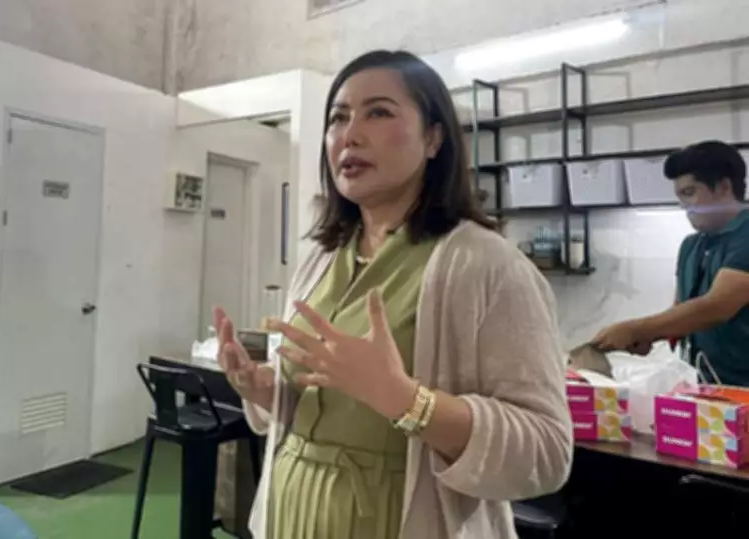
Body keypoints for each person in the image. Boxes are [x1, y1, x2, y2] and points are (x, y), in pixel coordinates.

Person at [214, 50, 572, 539]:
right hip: (289, 514)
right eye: (338, 118)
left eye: (378, 112)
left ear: (434, 138)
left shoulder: (488, 265)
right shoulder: (320, 260)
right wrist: (263, 389)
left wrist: (407, 400)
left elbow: (547, 453)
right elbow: (322, 406)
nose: (350, 135)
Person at [593, 140, 749, 386]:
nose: (684, 205)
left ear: (724, 187)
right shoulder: (691, 246)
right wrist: (651, 336)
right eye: (680, 196)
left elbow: (717, 306)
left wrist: (637, 329)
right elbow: (682, 312)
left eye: (689, 193)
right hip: (708, 386)